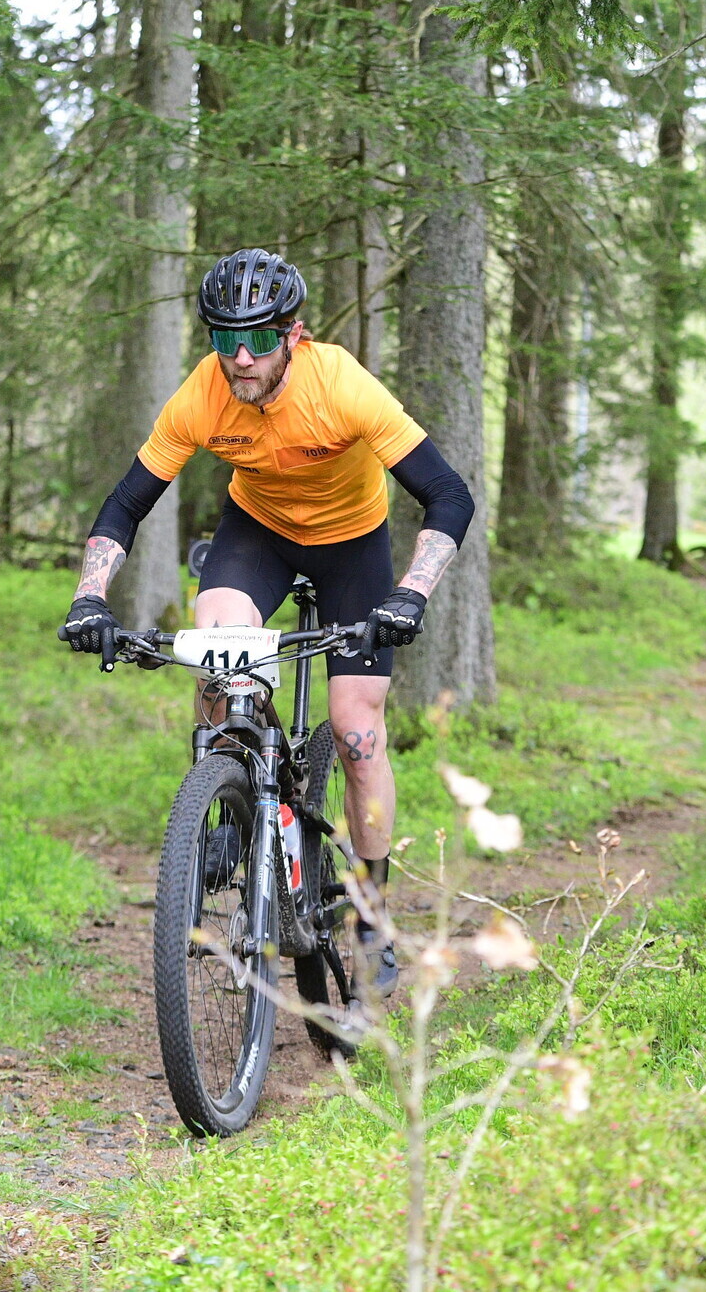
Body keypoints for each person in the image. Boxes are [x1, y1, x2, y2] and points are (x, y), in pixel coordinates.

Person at [61, 248, 474, 997]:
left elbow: (449, 494)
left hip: (353, 545)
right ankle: (231, 797)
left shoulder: (340, 384)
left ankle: (372, 913)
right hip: (259, 534)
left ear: (293, 334)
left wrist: (412, 592)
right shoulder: (202, 394)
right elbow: (125, 505)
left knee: (356, 732)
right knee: (218, 652)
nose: (241, 357)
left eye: (257, 338)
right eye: (226, 339)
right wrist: (90, 596)